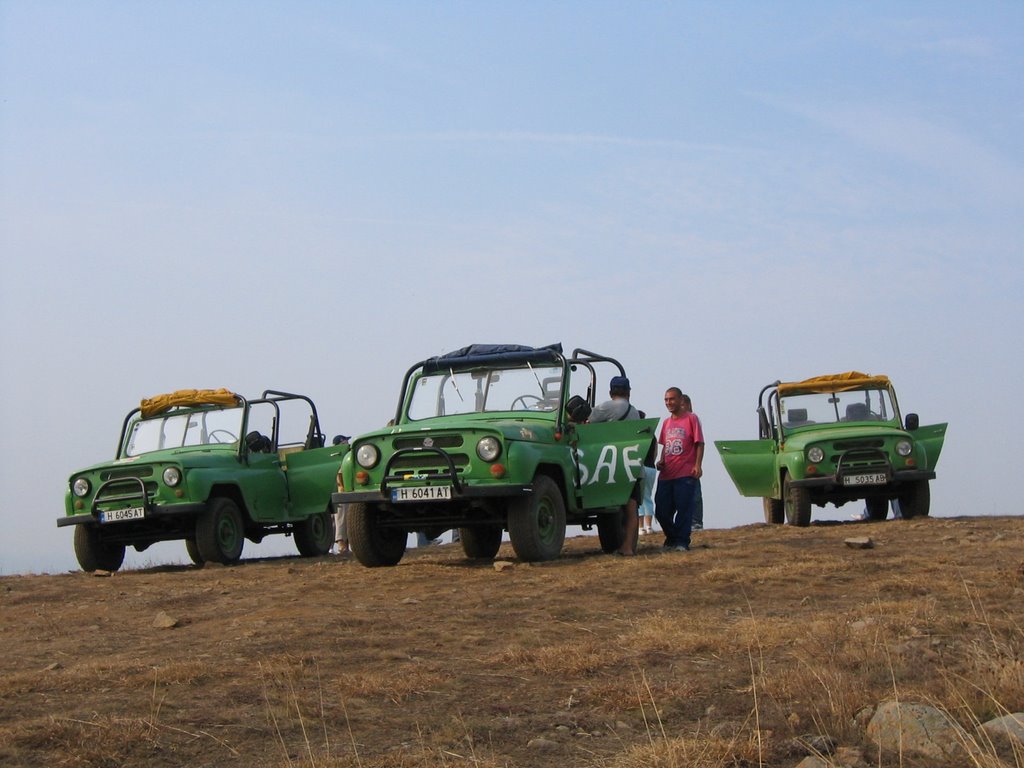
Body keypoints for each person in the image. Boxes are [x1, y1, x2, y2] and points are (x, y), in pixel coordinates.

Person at [588, 375, 642, 556]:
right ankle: (627, 547)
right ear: (628, 392)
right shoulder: (634, 411)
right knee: (631, 508)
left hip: (611, 465)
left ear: (611, 392)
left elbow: (587, 422)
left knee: (612, 504)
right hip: (632, 464)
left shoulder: (608, 406)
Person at [655, 388, 705, 552]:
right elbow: (665, 445)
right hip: (666, 474)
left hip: (685, 473)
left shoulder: (691, 419)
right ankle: (672, 537)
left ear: (680, 400)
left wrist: (698, 464)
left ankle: (682, 542)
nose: (668, 403)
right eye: (666, 400)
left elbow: (699, 443)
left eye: (672, 399)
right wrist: (661, 461)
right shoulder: (666, 423)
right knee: (661, 511)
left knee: (684, 509)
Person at [332, 435, 351, 556]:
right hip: (342, 491)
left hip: (346, 491)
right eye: (345, 441)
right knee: (342, 518)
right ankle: (342, 545)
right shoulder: (339, 457)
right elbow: (340, 477)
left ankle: (345, 545)